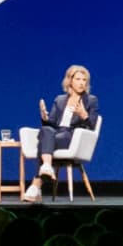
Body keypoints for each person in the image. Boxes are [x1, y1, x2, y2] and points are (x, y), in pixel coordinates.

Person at [24, 64, 99, 203]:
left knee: (46, 142)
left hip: (73, 136)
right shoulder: (59, 100)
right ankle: (46, 167)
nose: (82, 82)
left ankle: (36, 184)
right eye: (78, 79)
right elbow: (50, 124)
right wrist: (44, 117)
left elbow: (93, 126)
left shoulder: (91, 100)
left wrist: (84, 115)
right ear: (70, 80)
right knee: (45, 130)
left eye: (84, 80)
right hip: (56, 133)